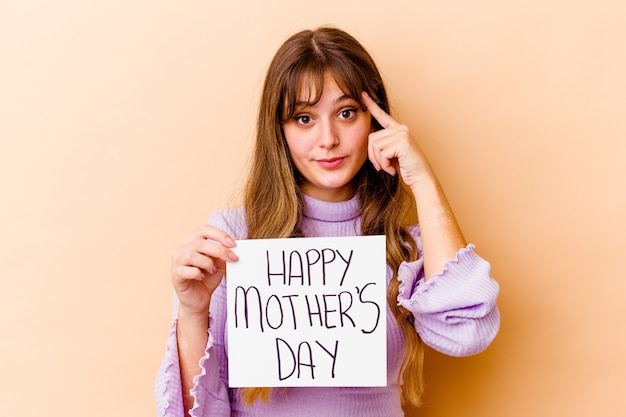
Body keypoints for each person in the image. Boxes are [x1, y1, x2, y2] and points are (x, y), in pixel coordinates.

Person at [155, 26, 500, 417]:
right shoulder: (233, 238)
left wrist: (423, 181)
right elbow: (193, 412)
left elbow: (466, 333)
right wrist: (192, 312)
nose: (328, 138)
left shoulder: (406, 249)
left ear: (374, 120)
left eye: (346, 113)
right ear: (279, 132)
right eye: (303, 118)